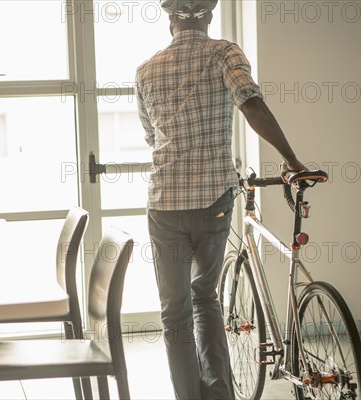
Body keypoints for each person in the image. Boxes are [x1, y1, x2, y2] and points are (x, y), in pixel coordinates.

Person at [135, 1, 306, 398]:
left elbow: (151, 138)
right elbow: (251, 104)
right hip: (212, 199)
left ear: (170, 19)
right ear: (209, 15)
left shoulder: (145, 69)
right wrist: (292, 160)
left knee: (173, 310)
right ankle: (219, 395)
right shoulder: (223, 53)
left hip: (164, 204)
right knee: (205, 297)